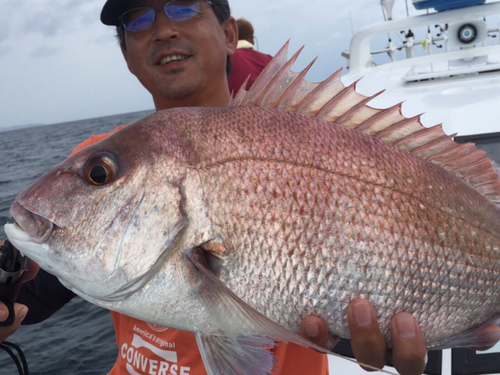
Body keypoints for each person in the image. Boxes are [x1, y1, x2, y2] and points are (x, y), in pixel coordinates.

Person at [1, 0, 494, 374]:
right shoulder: (101, 151)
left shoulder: (300, 133)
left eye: (182, 6)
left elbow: (318, 308)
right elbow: (40, 292)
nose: (163, 28)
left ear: (229, 32)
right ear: (127, 57)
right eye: (137, 19)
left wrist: (363, 337)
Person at [227, 18, 272, 94]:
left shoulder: (224, 59)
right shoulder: (269, 60)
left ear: (231, 37)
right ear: (252, 40)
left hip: (228, 105)